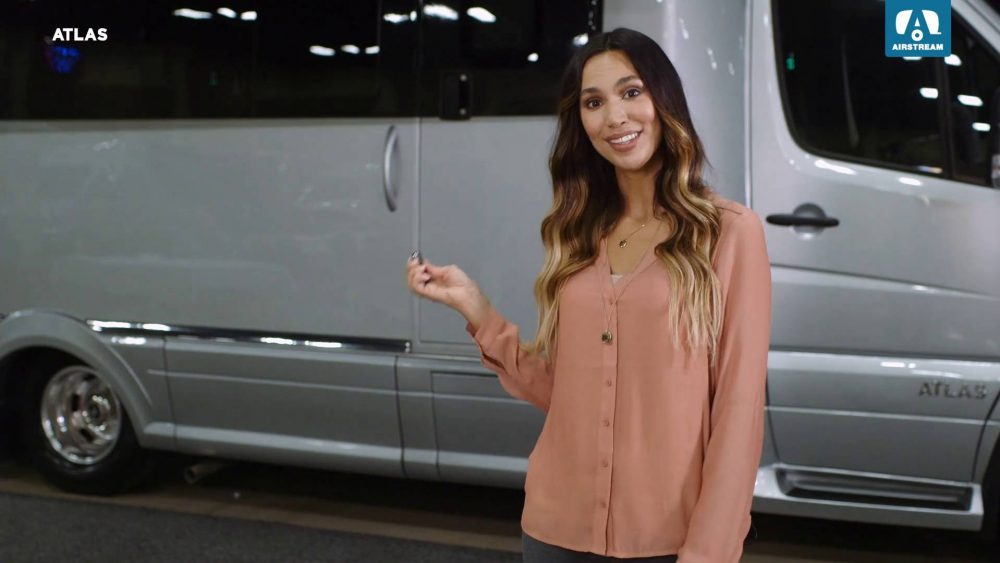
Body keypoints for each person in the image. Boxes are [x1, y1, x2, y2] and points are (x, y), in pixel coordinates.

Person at [405, 28, 771, 563]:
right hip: (555, 531)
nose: (615, 117)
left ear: (664, 100)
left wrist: (709, 551)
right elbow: (569, 393)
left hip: (667, 541)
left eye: (631, 92)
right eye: (593, 103)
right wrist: (477, 311)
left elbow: (739, 411)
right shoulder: (577, 234)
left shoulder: (730, 232)